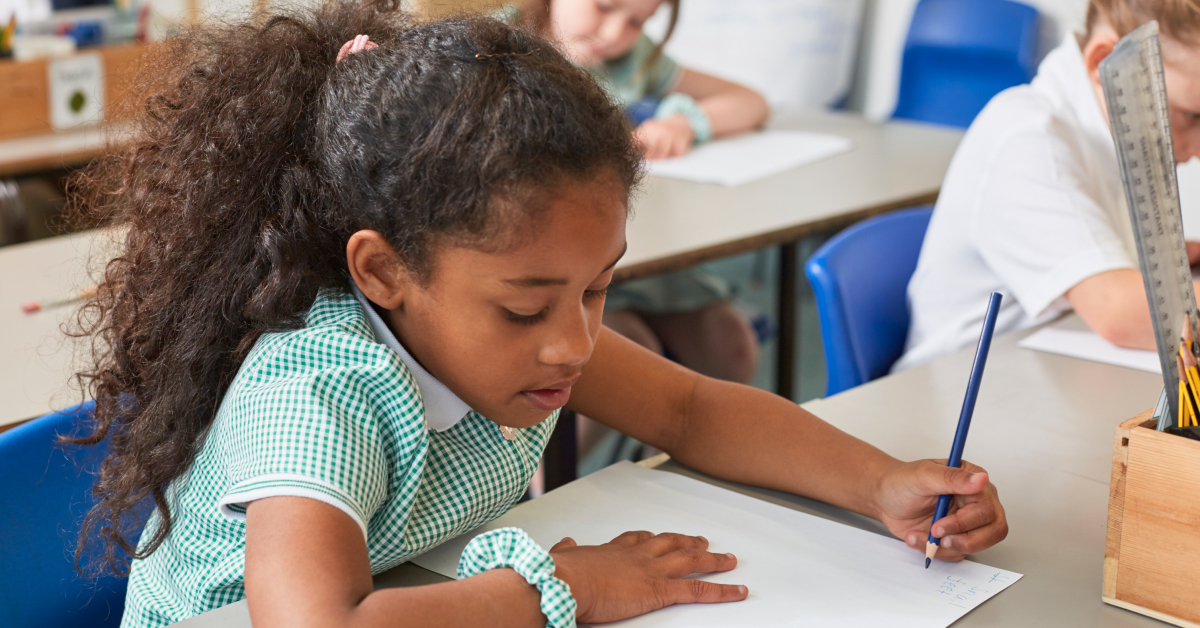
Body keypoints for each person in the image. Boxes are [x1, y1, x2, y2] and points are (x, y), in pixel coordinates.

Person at [68, 3, 1006, 627]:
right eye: (528, 306)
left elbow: (691, 411)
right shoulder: (323, 391)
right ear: (385, 271)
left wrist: (881, 484)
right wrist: (563, 584)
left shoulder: (505, 337)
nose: (574, 339)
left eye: (598, 287)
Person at [897, 0, 1200, 371]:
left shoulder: (1113, 140)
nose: (1198, 148)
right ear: (1105, 63)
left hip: (1047, 376)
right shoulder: (1028, 135)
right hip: (956, 396)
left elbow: (1116, 259)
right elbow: (1119, 311)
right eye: (1193, 115)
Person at [522, 0, 771, 392]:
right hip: (553, 266)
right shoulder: (497, 42)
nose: (615, 33)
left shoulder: (633, 59)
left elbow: (750, 101)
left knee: (731, 346)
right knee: (624, 365)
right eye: (604, 7)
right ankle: (541, 455)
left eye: (638, 21)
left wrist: (684, 122)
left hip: (635, 253)